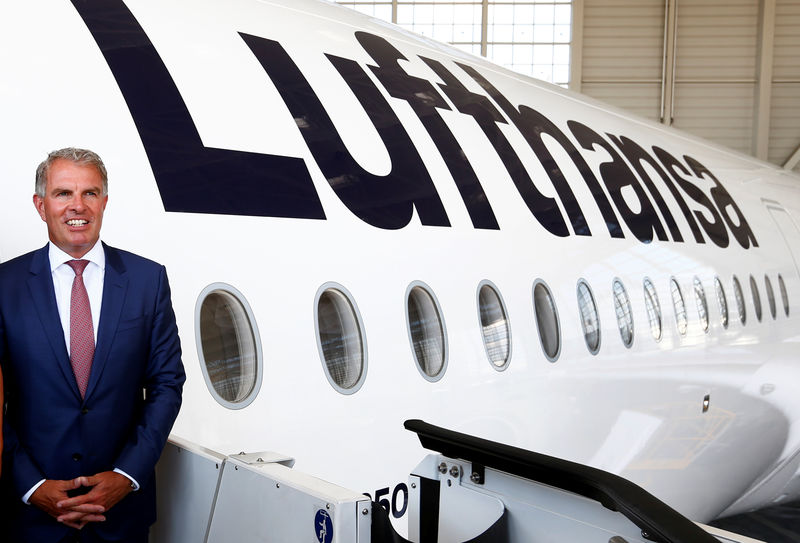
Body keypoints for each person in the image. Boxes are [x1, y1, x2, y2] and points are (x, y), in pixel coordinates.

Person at [0, 148, 185, 542]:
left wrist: (126, 475)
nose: (77, 206)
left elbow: (167, 384)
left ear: (104, 201)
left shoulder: (147, 281)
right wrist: (32, 485)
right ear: (40, 204)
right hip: (30, 516)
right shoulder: (4, 286)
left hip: (122, 514)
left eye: (90, 193)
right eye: (63, 193)